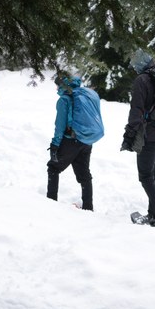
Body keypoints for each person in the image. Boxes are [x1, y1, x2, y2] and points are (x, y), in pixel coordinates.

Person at [121, 49, 155, 228]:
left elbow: (136, 111)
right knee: (152, 172)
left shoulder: (142, 80)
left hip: (150, 135)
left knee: (145, 175)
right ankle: (154, 214)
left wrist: (129, 134)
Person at [46, 73, 104, 210]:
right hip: (87, 141)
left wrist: (55, 145)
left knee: (53, 168)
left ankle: (50, 204)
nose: (56, 89)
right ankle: (88, 207)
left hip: (71, 140)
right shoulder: (86, 96)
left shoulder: (64, 100)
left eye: (58, 85)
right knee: (84, 174)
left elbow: (60, 126)